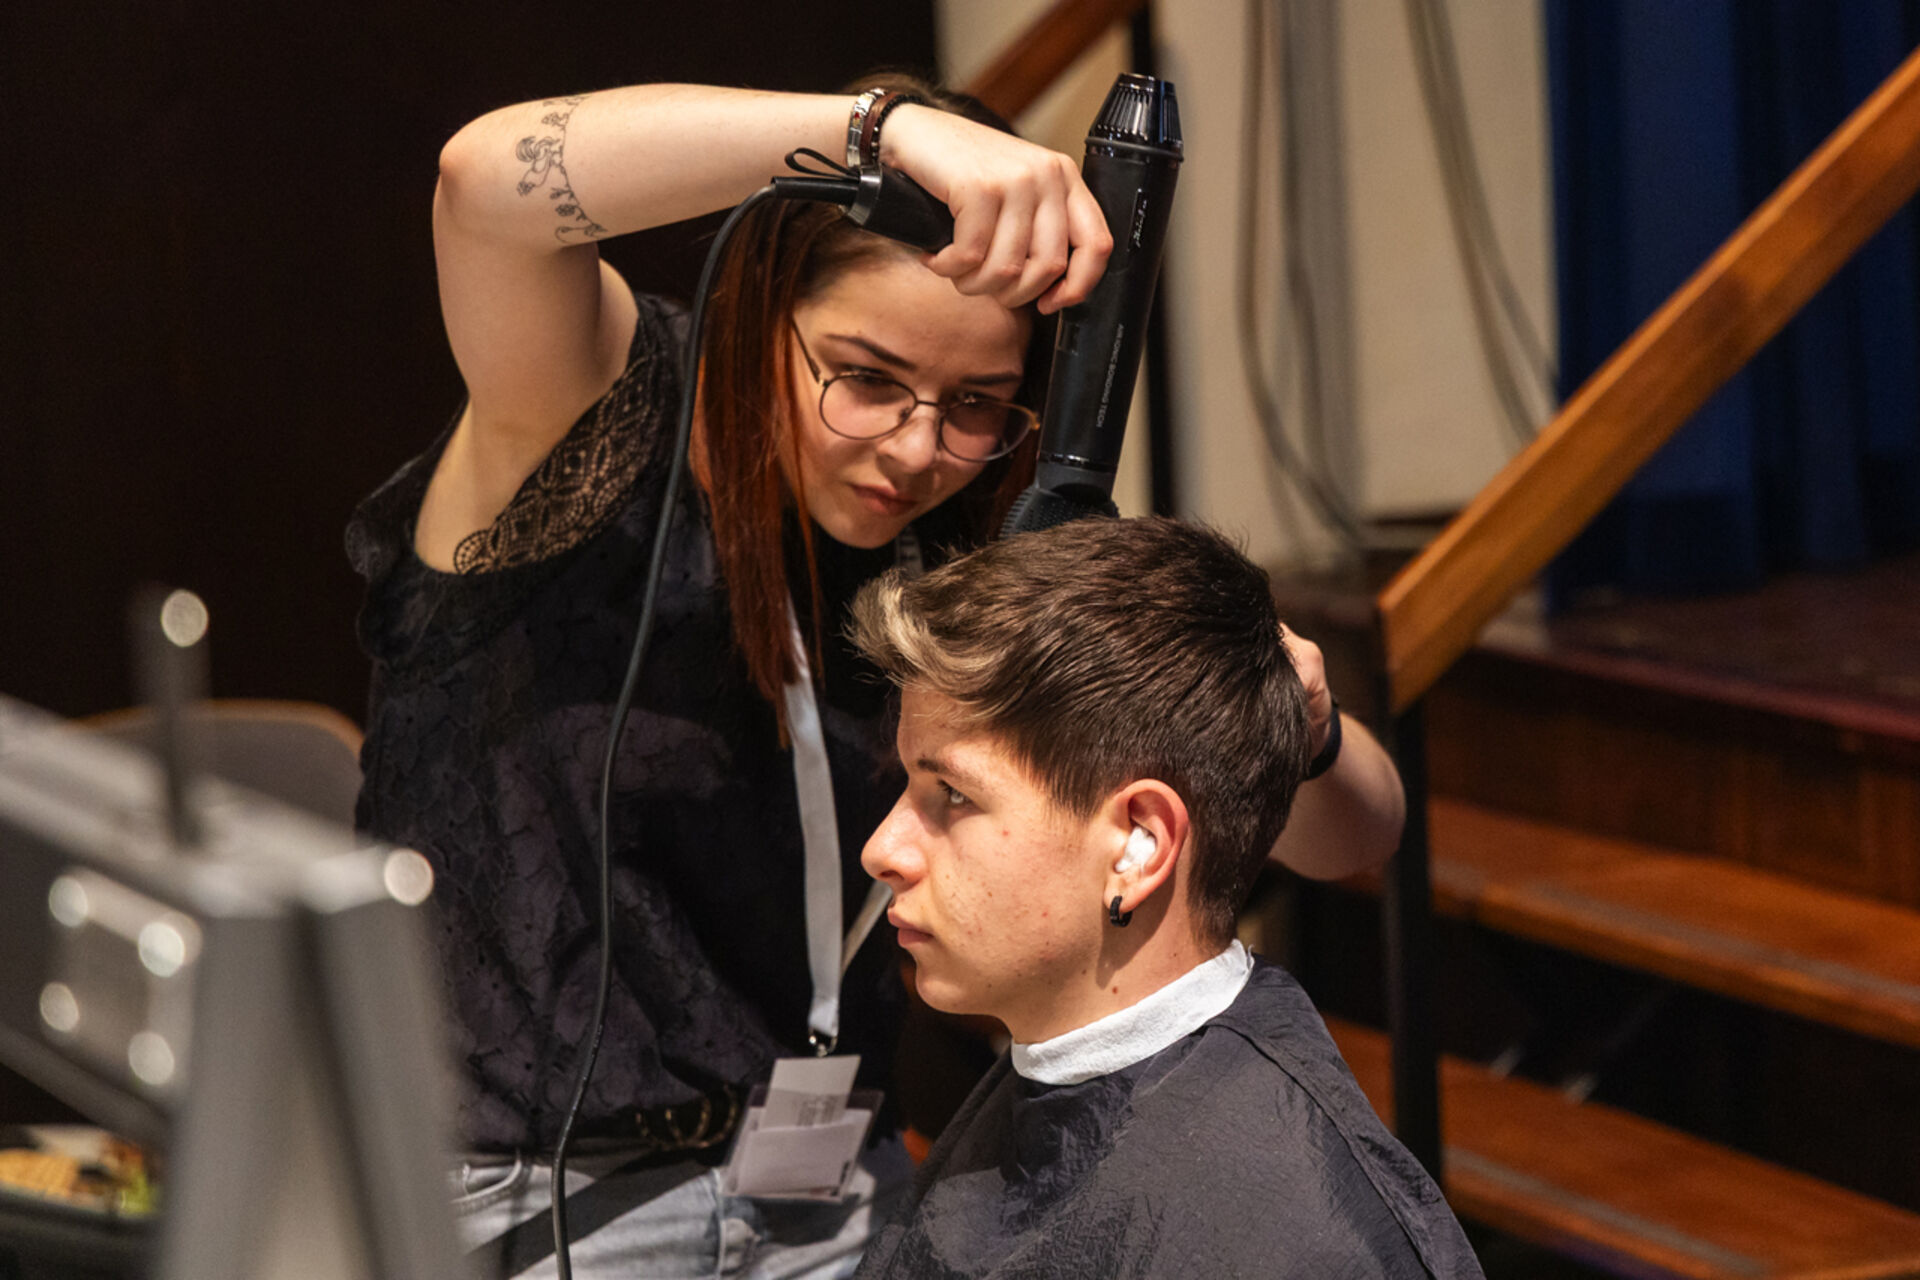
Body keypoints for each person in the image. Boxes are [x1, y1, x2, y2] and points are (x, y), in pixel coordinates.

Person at [346, 71, 1406, 1279]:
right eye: (866, 379)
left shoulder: (958, 546)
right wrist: (873, 134)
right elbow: (484, 184)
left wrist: (1302, 726)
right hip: (546, 1200)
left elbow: (1358, 835)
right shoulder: (589, 425)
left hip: (827, 1188)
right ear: (765, 312)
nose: (915, 449)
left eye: (975, 405)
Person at [849, 516, 1481, 1280]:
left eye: (953, 795)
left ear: (1138, 846)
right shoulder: (1043, 1082)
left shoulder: (1297, 1239)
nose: (882, 850)